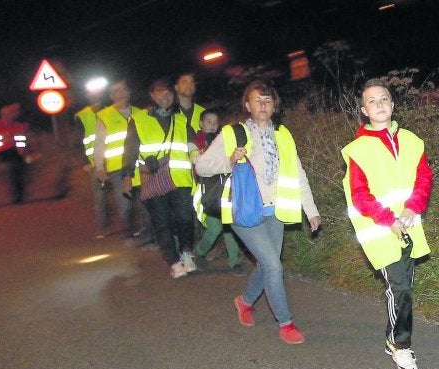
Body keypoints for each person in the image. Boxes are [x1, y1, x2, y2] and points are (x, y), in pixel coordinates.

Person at [195, 80, 321, 344]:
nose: (263, 105)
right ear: (247, 105)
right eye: (257, 100)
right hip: (244, 211)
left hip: (276, 212)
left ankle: (244, 301)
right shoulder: (232, 134)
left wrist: (311, 210)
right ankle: (285, 323)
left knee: (267, 265)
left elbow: (298, 174)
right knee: (274, 265)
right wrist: (228, 160)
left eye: (268, 100)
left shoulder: (283, 135)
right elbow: (202, 167)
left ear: (274, 105)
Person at [341, 78, 433, 369]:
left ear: (393, 105)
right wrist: (388, 219)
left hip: (408, 224)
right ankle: (401, 344)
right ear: (364, 111)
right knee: (400, 288)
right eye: (372, 101)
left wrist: (411, 207)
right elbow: (359, 194)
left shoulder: (412, 140)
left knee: (403, 287)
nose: (379, 104)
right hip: (379, 229)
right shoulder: (357, 149)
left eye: (384, 99)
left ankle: (392, 336)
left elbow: (423, 178)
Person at [122, 78, 199, 278]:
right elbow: (130, 149)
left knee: (185, 218)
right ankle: (173, 262)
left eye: (168, 92)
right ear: (152, 96)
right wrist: (127, 175)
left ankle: (186, 254)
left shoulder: (180, 117)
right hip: (154, 179)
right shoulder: (139, 119)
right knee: (162, 222)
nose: (164, 96)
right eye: (159, 92)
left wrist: (199, 159)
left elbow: (190, 143)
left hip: (180, 178)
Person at [193, 108, 245, 275]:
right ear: (201, 123)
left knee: (229, 226)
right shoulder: (196, 142)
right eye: (209, 121)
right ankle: (199, 253)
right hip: (209, 193)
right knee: (214, 229)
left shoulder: (221, 140)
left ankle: (234, 262)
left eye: (215, 122)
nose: (212, 125)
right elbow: (198, 164)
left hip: (226, 191)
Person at [93, 78, 142, 238]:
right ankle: (129, 231)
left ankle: (144, 232)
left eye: (122, 90)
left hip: (139, 165)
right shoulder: (104, 116)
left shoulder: (140, 113)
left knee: (143, 202)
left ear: (128, 92)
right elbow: (99, 143)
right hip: (117, 168)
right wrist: (99, 167)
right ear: (111, 95)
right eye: (115, 91)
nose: (120, 94)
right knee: (125, 205)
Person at [74, 77, 110, 238]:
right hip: (94, 163)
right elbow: (78, 141)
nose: (95, 95)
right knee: (100, 197)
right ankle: (102, 228)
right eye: (91, 93)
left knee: (123, 194)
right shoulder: (81, 116)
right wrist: (85, 163)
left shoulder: (112, 110)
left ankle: (128, 227)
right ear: (87, 95)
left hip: (115, 160)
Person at [0, 103, 29, 204]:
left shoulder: (20, 126)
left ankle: (19, 196)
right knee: (11, 172)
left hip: (17, 153)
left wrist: (24, 153)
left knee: (20, 171)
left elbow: (23, 141)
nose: (13, 115)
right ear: (3, 115)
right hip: (1, 154)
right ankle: (9, 196)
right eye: (9, 113)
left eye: (13, 113)